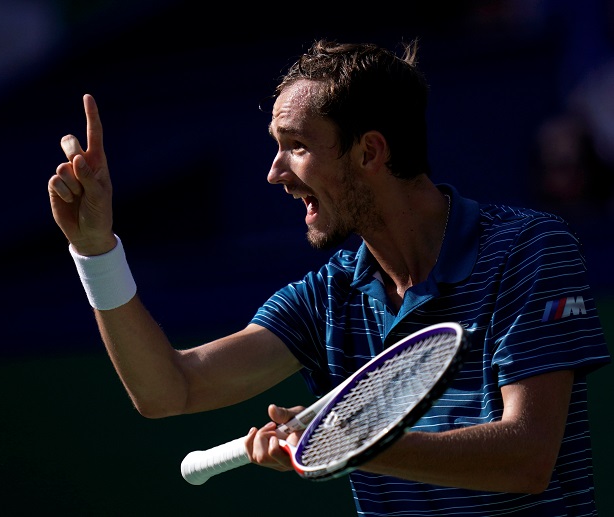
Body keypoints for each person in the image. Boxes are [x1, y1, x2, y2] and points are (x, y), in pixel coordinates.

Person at [48, 39, 611, 515]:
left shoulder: (530, 248)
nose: (274, 173)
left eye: (295, 146)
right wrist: (95, 251)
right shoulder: (327, 296)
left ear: (369, 151)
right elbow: (168, 388)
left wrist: (346, 442)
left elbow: (527, 457)